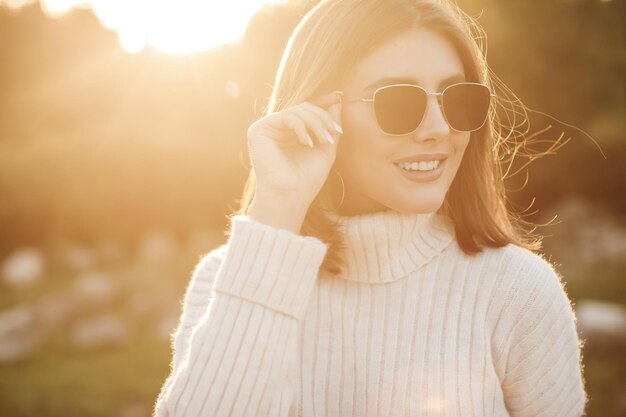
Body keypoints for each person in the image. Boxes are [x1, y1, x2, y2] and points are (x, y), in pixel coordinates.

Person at [153, 0, 587, 416]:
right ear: (320, 113)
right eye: (398, 102)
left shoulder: (518, 290)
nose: (439, 129)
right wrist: (279, 206)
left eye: (458, 99)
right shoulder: (227, 281)